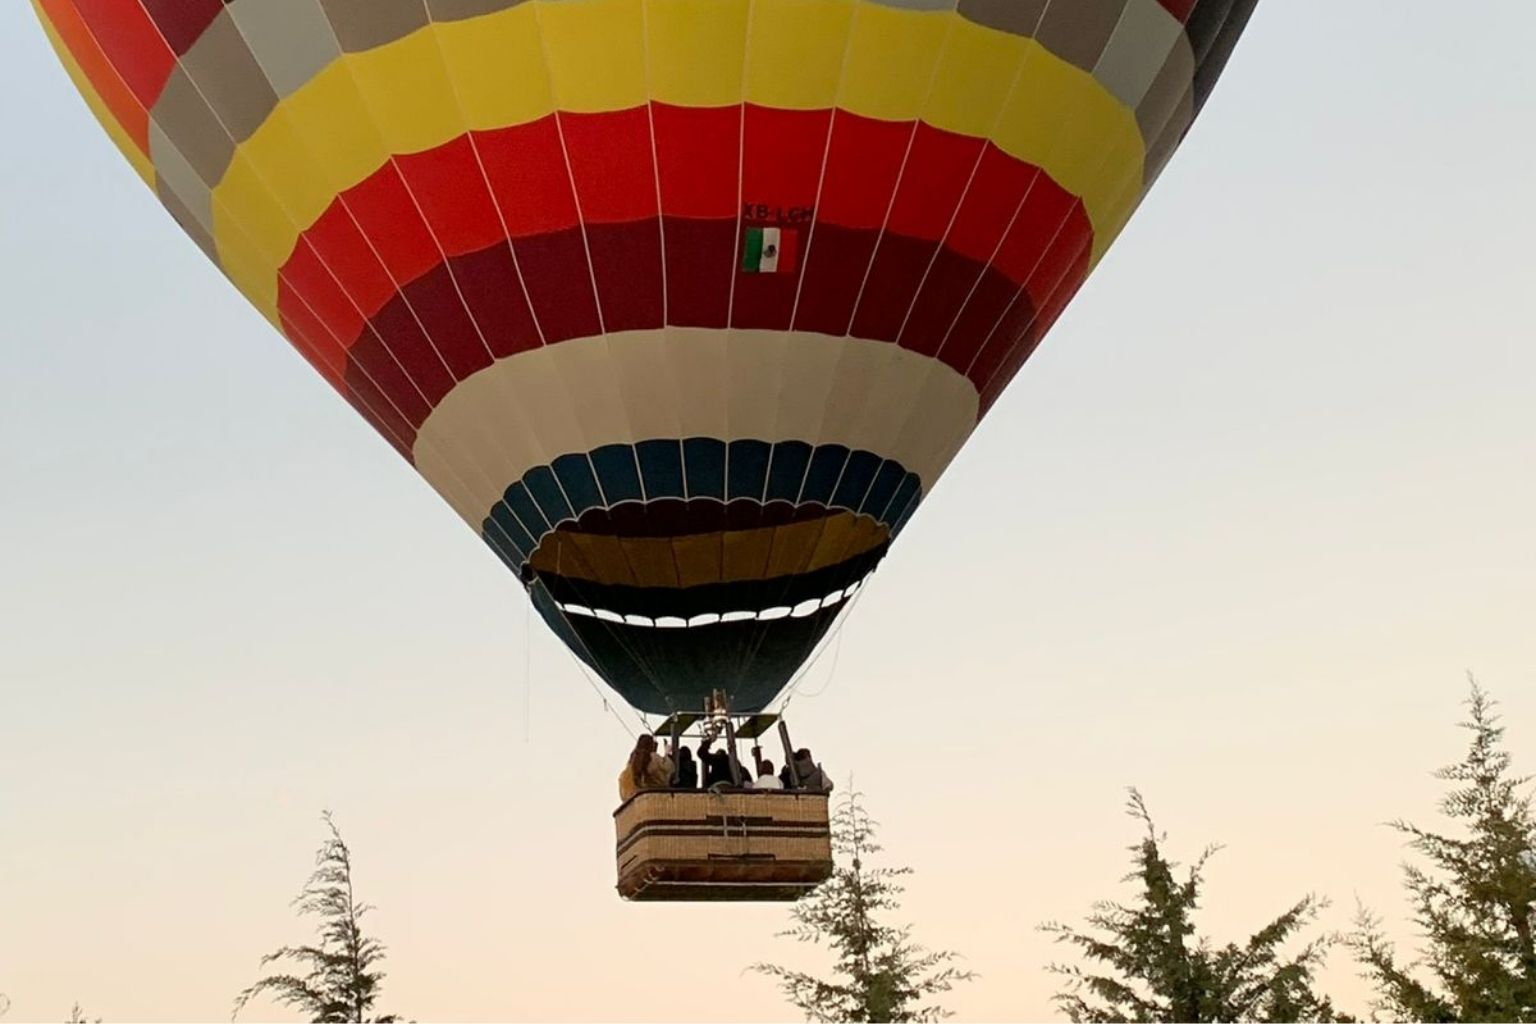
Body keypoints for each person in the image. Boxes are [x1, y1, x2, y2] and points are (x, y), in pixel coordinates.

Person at [618, 734, 674, 801]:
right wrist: (667, 753)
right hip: (658, 799)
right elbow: (670, 768)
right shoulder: (654, 759)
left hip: (639, 803)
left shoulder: (629, 768)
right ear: (650, 746)